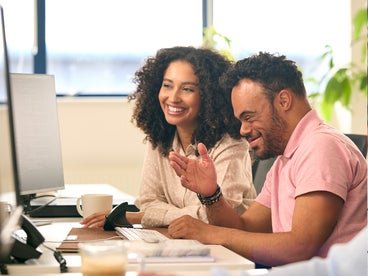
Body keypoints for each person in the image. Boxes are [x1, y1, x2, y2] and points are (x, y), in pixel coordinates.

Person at [168, 52, 367, 266]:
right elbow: (245, 229)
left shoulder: (321, 147)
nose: (243, 129)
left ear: (283, 100)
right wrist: (211, 194)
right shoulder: (287, 157)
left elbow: (300, 248)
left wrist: (213, 234)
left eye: (249, 117)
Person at [81, 46, 256, 228]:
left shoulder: (231, 145)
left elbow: (213, 216)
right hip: (179, 241)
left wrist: (138, 217)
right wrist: (151, 214)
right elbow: (148, 202)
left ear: (209, 96)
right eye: (167, 85)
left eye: (187, 89)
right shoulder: (160, 138)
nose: (173, 97)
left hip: (228, 250)